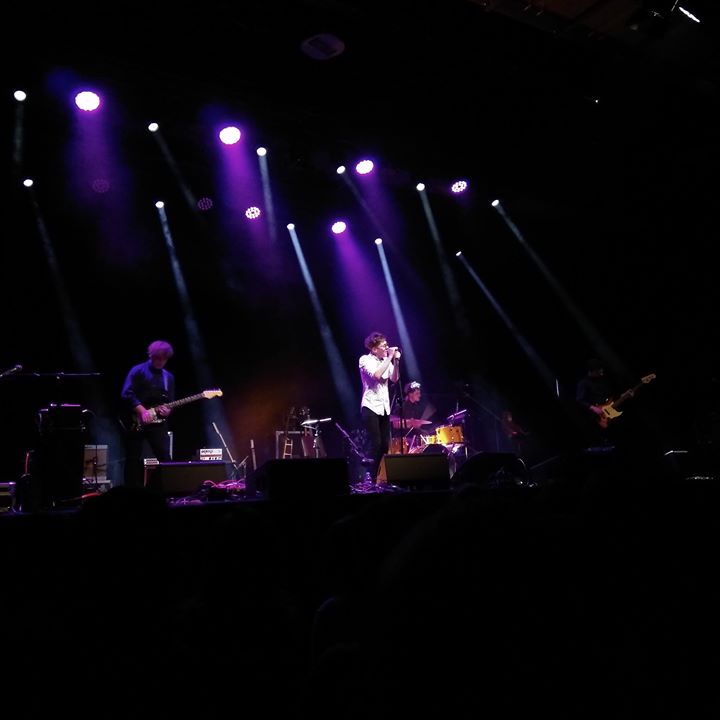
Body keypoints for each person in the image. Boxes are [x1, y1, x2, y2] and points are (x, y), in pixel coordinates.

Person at [120, 340, 176, 487]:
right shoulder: (137, 371)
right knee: (133, 459)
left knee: (166, 460)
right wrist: (142, 410)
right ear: (150, 355)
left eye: (164, 359)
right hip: (135, 421)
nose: (160, 361)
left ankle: (153, 489)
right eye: (157, 358)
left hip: (157, 423)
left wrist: (168, 411)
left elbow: (170, 401)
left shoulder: (168, 377)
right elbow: (126, 393)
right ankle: (131, 491)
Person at [359, 331, 400, 483]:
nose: (387, 347)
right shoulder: (365, 360)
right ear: (374, 349)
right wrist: (389, 357)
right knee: (376, 443)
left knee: (385, 445)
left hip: (384, 407)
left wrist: (395, 361)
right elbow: (376, 375)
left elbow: (394, 379)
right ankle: (370, 476)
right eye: (383, 346)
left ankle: (378, 477)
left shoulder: (386, 361)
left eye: (386, 345)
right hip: (370, 406)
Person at [575, 357, 615, 449]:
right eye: (599, 369)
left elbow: (609, 395)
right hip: (593, 417)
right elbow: (579, 400)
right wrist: (593, 408)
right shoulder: (583, 383)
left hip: (607, 413)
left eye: (601, 369)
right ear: (591, 371)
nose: (601, 371)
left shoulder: (603, 380)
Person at [392, 381, 436, 452]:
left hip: (413, 437)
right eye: (417, 393)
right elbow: (395, 423)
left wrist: (423, 431)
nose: (420, 395)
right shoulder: (401, 406)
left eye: (419, 393)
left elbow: (415, 425)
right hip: (402, 439)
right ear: (410, 394)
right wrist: (410, 423)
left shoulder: (416, 406)